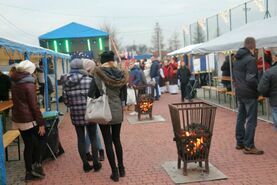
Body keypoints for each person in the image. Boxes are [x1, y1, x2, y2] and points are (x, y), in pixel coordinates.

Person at [88, 51, 128, 182]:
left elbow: (90, 93)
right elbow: (124, 94)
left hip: (103, 111)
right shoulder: (120, 73)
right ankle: (122, 169)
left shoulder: (97, 74)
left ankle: (114, 173)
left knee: (107, 142)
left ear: (102, 61)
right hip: (117, 111)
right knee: (117, 140)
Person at [62, 58, 102, 172]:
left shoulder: (66, 82)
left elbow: (66, 101)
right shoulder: (90, 80)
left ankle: (85, 164)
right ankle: (95, 163)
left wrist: (74, 105)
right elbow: (96, 97)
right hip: (90, 113)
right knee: (93, 137)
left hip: (76, 114)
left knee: (80, 139)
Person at [11, 60, 46, 181]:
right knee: (41, 138)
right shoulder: (28, 84)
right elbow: (34, 106)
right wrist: (41, 123)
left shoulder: (14, 81)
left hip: (18, 117)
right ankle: (37, 166)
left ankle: (29, 172)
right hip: (28, 118)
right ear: (29, 71)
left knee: (28, 144)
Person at [233, 37, 263, 155]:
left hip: (240, 92)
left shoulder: (237, 59)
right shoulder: (250, 59)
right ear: (253, 45)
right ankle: (249, 146)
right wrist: (259, 88)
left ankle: (240, 142)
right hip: (249, 93)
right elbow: (251, 79)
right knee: (251, 120)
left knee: (241, 117)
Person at [258, 50, 277, 131]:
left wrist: (266, 94)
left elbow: (261, 88)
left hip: (274, 98)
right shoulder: (268, 68)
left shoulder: (269, 71)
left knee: (275, 112)